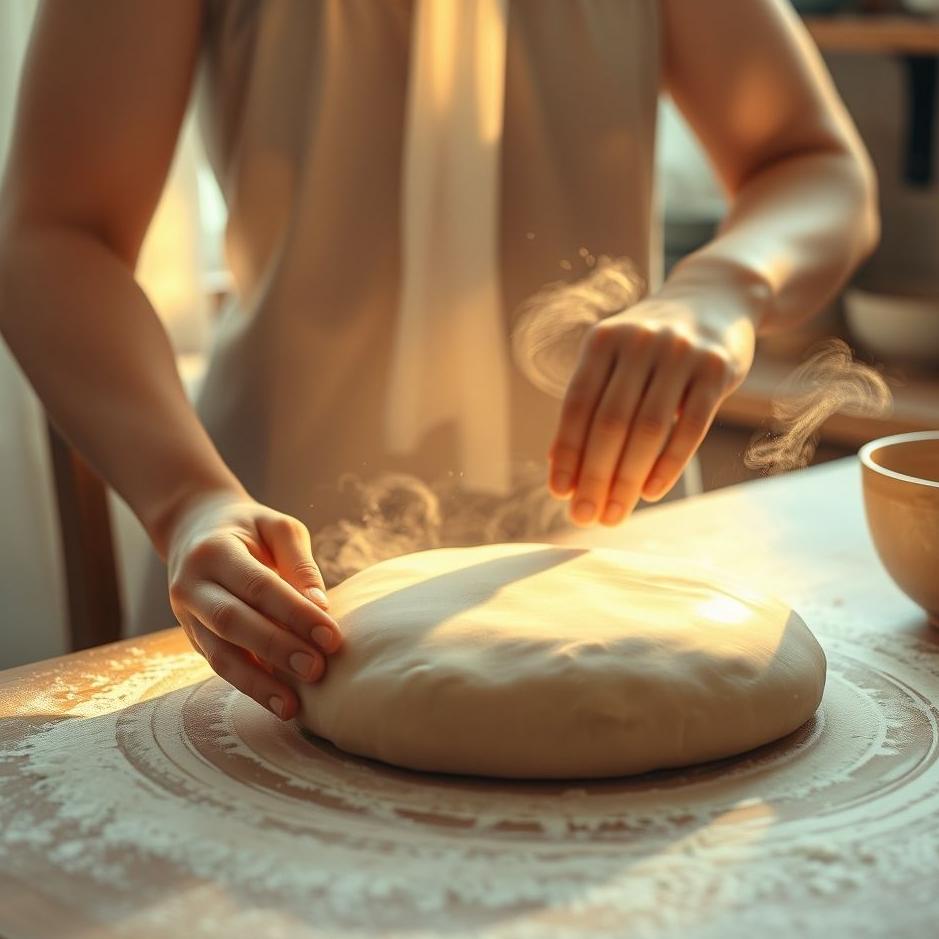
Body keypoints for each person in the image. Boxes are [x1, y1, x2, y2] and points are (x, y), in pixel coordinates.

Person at [0, 1, 877, 723]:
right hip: (268, 577)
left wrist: (722, 287)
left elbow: (815, 164)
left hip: (612, 558)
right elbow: (52, 237)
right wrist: (188, 498)